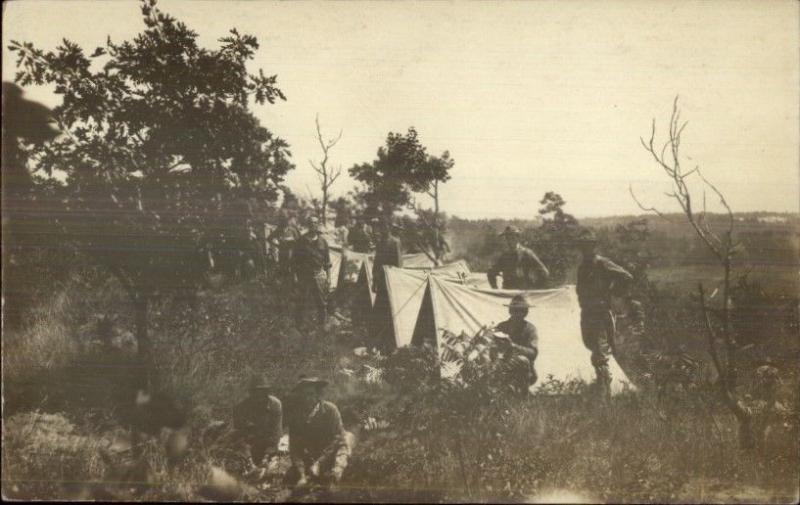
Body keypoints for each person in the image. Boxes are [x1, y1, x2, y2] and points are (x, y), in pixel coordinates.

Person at [575, 230, 633, 397]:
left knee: (601, 350)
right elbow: (580, 289)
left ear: (594, 247)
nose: (586, 249)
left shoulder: (602, 263)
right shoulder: (582, 267)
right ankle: (601, 383)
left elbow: (626, 276)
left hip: (600, 313)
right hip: (587, 313)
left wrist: (613, 292)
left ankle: (604, 393)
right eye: (583, 246)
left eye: (589, 246)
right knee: (591, 346)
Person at [285, 377, 354, 488]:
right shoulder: (296, 416)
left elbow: (336, 440)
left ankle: (334, 480)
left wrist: (319, 463)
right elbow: (294, 448)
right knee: (292, 477)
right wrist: (301, 474)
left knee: (343, 446)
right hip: (313, 453)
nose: (307, 398)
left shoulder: (331, 410)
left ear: (318, 395)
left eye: (311, 394)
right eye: (304, 395)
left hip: (333, 450)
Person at [232, 374, 283, 477]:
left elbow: (276, 432)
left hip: (268, 444)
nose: (259, 396)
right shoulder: (240, 408)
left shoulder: (275, 404)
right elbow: (239, 435)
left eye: (262, 392)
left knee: (272, 469)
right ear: (251, 393)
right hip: (250, 446)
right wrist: (248, 458)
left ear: (267, 392)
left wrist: (267, 455)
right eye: (256, 392)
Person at [493, 295, 539, 394]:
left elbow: (533, 353)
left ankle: (523, 395)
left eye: (522, 311)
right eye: (515, 311)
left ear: (526, 313)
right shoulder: (501, 327)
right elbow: (492, 347)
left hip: (524, 369)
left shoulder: (530, 329)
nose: (518, 314)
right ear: (510, 311)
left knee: (522, 360)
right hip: (502, 365)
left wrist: (514, 346)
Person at [293, 216, 331, 328]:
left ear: (317, 224)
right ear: (307, 225)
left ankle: (322, 325)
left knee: (321, 301)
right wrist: (295, 276)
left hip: (319, 274)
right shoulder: (301, 241)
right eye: (310, 223)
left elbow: (327, 262)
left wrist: (328, 278)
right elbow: (295, 260)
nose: (313, 225)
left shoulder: (323, 242)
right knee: (302, 301)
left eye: (315, 223)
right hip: (304, 275)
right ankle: (300, 326)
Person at [371, 218, 403, 293]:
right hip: (380, 279)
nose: (382, 229)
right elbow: (376, 263)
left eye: (385, 227)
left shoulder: (395, 242)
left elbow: (399, 263)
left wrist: (397, 281)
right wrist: (374, 281)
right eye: (381, 227)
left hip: (391, 279)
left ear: (389, 227)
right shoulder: (379, 243)